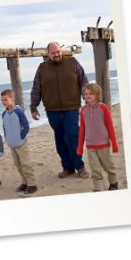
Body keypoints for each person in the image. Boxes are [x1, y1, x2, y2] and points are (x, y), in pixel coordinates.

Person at [30, 42, 89, 179]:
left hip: (72, 108)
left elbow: (83, 81)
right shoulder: (42, 68)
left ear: (60, 51)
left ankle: (80, 166)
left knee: (72, 137)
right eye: (53, 53)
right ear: (48, 54)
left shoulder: (72, 62)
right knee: (60, 139)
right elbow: (36, 88)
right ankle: (67, 168)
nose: (56, 55)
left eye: (58, 52)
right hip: (52, 110)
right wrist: (33, 107)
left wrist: (87, 100)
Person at [77, 83, 119, 191]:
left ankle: (113, 183)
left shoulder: (103, 108)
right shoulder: (83, 110)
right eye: (86, 94)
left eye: (91, 93)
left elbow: (110, 127)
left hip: (103, 144)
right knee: (95, 169)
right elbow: (82, 130)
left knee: (108, 166)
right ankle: (98, 188)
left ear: (97, 94)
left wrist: (114, 144)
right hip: (90, 145)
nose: (88, 96)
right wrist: (80, 147)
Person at [1, 89, 37, 194]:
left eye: (6, 100)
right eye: (2, 100)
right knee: (18, 164)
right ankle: (25, 182)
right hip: (12, 144)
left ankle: (32, 184)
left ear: (12, 99)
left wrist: (21, 136)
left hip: (21, 143)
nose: (3, 102)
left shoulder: (18, 111)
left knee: (25, 163)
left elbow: (26, 125)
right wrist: (7, 138)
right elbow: (4, 127)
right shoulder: (4, 114)